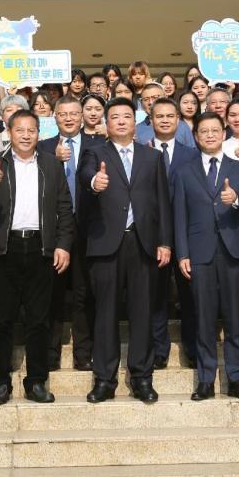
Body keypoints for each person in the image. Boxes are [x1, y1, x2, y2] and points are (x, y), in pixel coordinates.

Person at [79, 97, 172, 404]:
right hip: (107, 243)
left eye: (126, 116)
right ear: (106, 123)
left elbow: (162, 202)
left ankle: (142, 377)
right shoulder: (95, 152)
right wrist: (96, 181)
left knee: (142, 312)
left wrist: (164, 242)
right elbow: (85, 176)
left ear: (136, 122)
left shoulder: (152, 157)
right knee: (106, 313)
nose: (120, 121)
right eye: (115, 117)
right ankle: (105, 380)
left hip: (143, 243)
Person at [0, 110, 75, 404]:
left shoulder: (51, 164)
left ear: (39, 133)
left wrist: (63, 245)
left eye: (31, 130)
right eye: (19, 130)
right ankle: (0, 383)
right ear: (9, 132)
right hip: (3, 249)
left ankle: (36, 382)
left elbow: (65, 208)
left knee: (38, 320)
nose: (25, 135)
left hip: (40, 248)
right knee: (2, 320)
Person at [175, 112, 239, 401]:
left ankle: (236, 378)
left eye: (215, 130)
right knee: (204, 317)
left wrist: (236, 198)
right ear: (196, 137)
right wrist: (182, 253)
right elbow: (179, 215)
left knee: (234, 317)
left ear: (224, 134)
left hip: (232, 251)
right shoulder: (184, 171)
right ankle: (206, 379)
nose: (210, 135)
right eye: (204, 131)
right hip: (199, 252)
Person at [40, 95, 102, 371]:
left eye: (74, 113)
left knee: (84, 293)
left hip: (88, 229)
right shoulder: (42, 147)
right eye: (63, 114)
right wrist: (53, 161)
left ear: (82, 116)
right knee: (51, 294)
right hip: (53, 230)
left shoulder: (98, 145)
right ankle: (50, 354)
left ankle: (83, 354)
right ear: (54, 117)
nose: (69, 118)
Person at [145, 97, 200, 370]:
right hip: (152, 235)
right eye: (160, 116)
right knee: (156, 295)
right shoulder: (141, 151)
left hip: (185, 233)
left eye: (170, 116)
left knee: (189, 294)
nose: (165, 120)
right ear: (151, 120)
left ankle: (192, 347)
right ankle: (159, 349)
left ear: (178, 120)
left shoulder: (192, 154)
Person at [136, 82, 195, 149]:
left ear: (165, 98)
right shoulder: (137, 130)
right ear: (141, 103)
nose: (151, 102)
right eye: (146, 99)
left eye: (155, 97)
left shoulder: (182, 126)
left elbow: (192, 153)